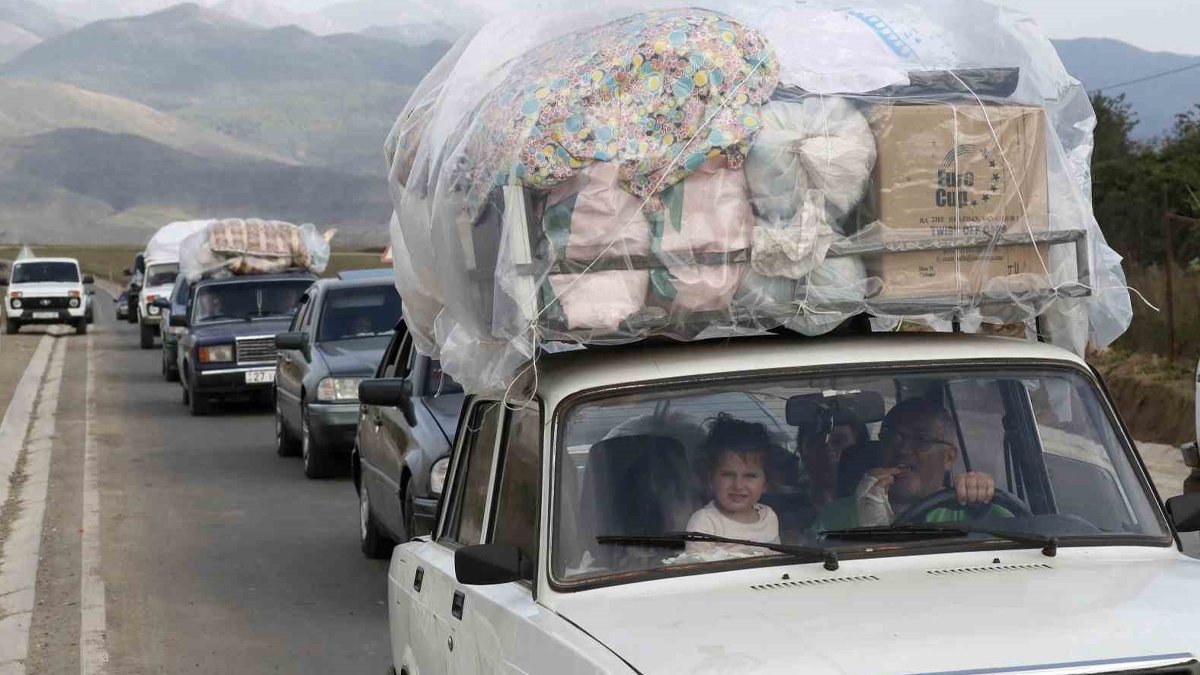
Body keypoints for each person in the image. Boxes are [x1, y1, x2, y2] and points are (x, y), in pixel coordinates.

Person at [815, 398, 1004, 530]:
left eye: (921, 440)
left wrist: (983, 491)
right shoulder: (835, 515)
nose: (903, 449)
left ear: (949, 458)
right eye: (893, 437)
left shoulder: (973, 509)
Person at [685, 414, 780, 555]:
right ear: (711, 477)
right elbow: (697, 570)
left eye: (750, 476)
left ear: (766, 482)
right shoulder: (705, 522)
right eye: (728, 475)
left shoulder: (769, 517)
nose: (738, 485)